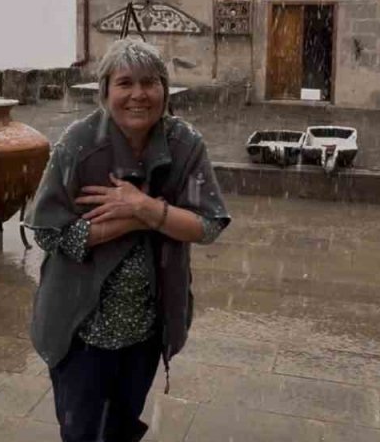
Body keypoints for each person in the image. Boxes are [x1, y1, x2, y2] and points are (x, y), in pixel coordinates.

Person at [25, 38, 231, 442]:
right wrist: (136, 220)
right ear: (105, 91)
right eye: (125, 83)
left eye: (150, 82)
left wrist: (144, 208)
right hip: (80, 332)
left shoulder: (184, 144)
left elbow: (210, 225)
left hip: (146, 330)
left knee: (121, 427)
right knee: (83, 431)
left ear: (164, 91)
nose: (139, 94)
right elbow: (48, 232)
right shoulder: (78, 144)